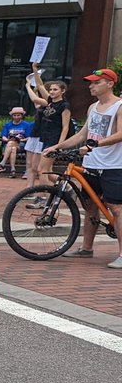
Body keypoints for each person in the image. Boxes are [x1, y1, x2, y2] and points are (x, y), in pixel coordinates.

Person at [45, 68, 122, 267]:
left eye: (96, 82)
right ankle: (86, 248)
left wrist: (96, 144)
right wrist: (57, 146)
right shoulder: (93, 107)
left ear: (110, 84)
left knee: (117, 209)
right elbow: (81, 136)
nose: (91, 86)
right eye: (91, 82)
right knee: (90, 207)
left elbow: (120, 134)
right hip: (91, 164)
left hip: (114, 165)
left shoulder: (119, 106)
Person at [26, 62, 71, 188]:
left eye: (55, 89)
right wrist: (34, 69)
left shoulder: (64, 106)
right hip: (44, 138)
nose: (51, 91)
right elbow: (40, 85)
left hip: (53, 140)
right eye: (50, 89)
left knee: (42, 171)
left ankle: (44, 197)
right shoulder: (50, 102)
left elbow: (65, 127)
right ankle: (67, 187)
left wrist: (59, 145)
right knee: (46, 170)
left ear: (62, 91)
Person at [0, 107, 33, 178]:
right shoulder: (8, 125)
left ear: (22, 115)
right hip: (9, 144)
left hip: (21, 144)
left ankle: (2, 163)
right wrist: (7, 140)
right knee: (13, 148)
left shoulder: (26, 125)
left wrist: (20, 140)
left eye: (18, 115)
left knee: (11, 144)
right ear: (12, 116)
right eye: (14, 115)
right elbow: (3, 136)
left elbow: (29, 137)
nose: (16, 117)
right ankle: (13, 170)